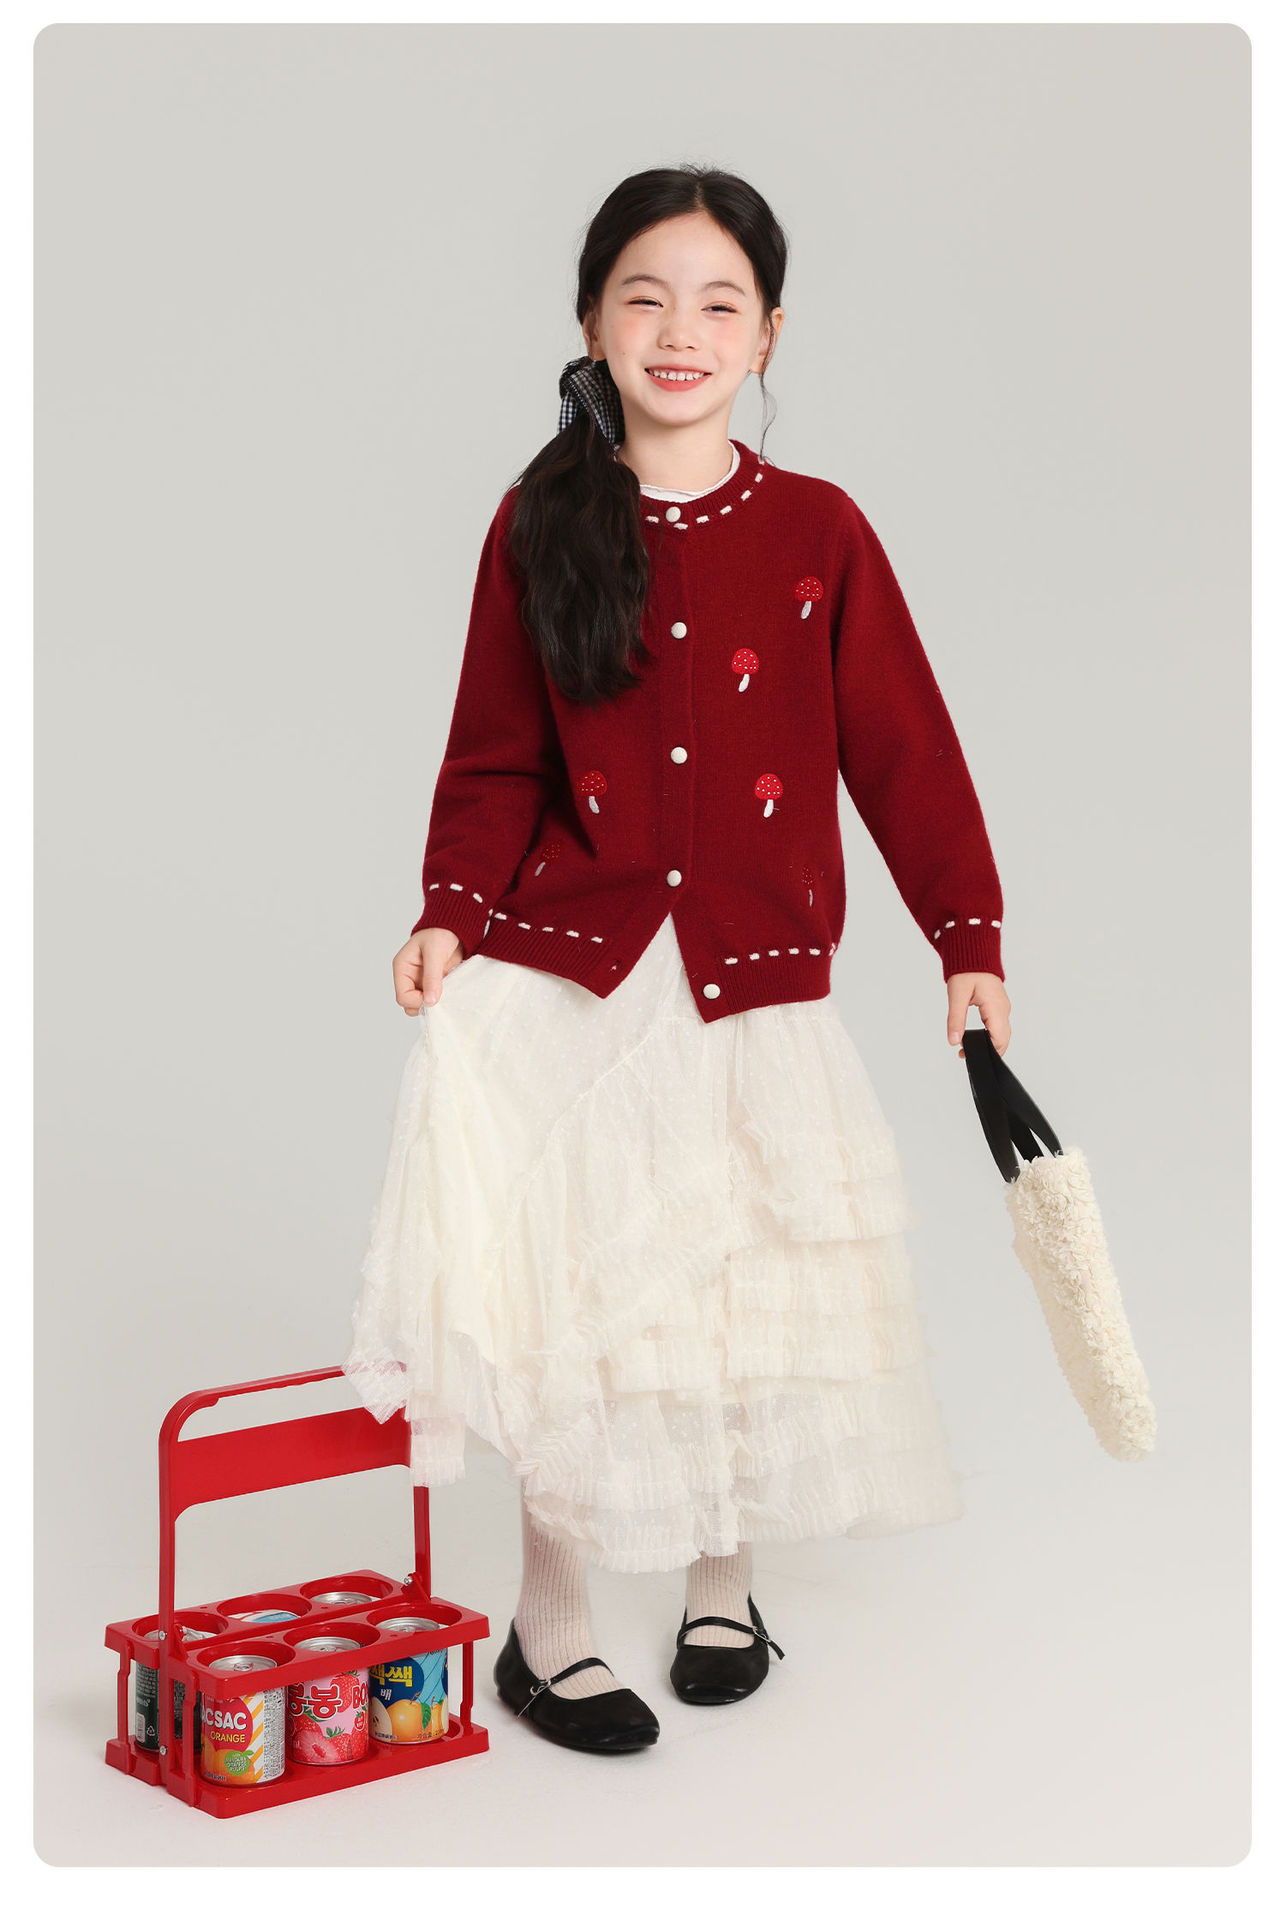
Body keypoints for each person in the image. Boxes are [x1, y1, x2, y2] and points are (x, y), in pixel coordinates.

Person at [343, 165, 1012, 1756]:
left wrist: (964, 934)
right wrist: (448, 908)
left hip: (750, 972)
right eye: (644, 296)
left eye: (720, 302)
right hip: (575, 974)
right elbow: (495, 753)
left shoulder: (817, 530)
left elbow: (902, 750)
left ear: (769, 331)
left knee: (736, 1284)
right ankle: (549, 1627)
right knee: (576, 1293)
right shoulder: (539, 524)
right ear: (590, 321)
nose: (679, 331)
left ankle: (725, 1589)